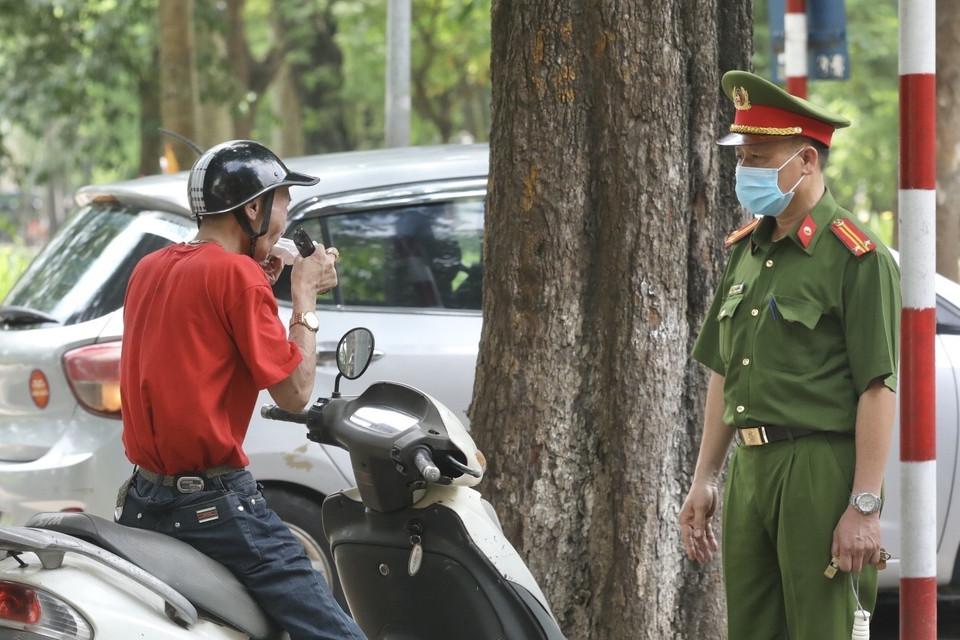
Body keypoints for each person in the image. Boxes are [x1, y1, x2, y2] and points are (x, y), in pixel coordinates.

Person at [678, 71, 901, 638]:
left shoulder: (857, 257)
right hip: (751, 471)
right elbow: (724, 371)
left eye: (758, 156)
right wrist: (706, 477)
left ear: (805, 161)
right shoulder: (748, 251)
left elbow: (878, 387)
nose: (744, 170)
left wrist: (865, 505)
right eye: (741, 158)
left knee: (822, 630)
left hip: (818, 470)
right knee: (751, 630)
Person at [116, 139, 366, 640]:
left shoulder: (150, 268)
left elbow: (204, 334)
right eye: (282, 208)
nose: (283, 223)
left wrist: (259, 277)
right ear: (252, 208)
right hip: (215, 507)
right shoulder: (237, 278)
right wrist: (302, 294)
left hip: (144, 500)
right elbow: (294, 394)